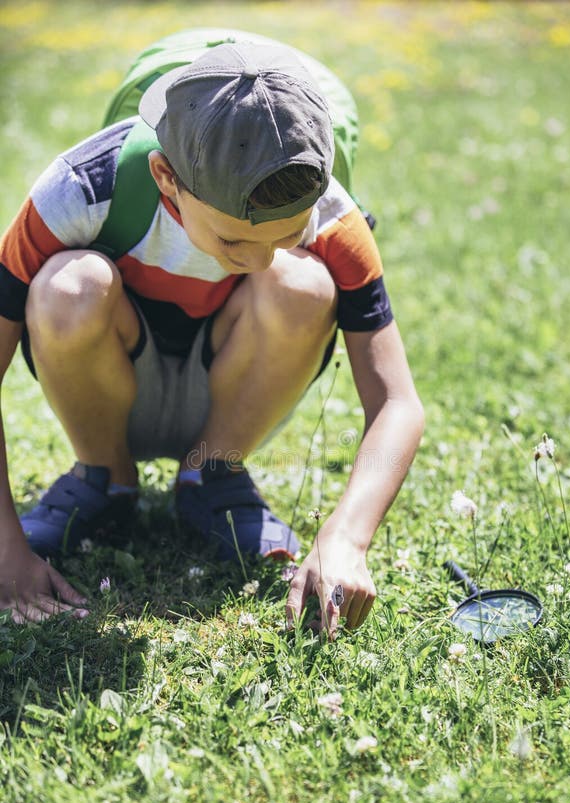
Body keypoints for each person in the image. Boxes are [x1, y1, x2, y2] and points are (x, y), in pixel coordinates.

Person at [0, 41, 424, 635]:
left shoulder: (332, 216)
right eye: (233, 242)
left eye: (288, 235)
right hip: (108, 383)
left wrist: (346, 537)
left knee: (302, 285)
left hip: (233, 386)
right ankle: (103, 479)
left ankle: (213, 473)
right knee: (67, 288)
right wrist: (5, 549)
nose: (257, 263)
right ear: (166, 178)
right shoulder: (79, 187)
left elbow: (397, 402)